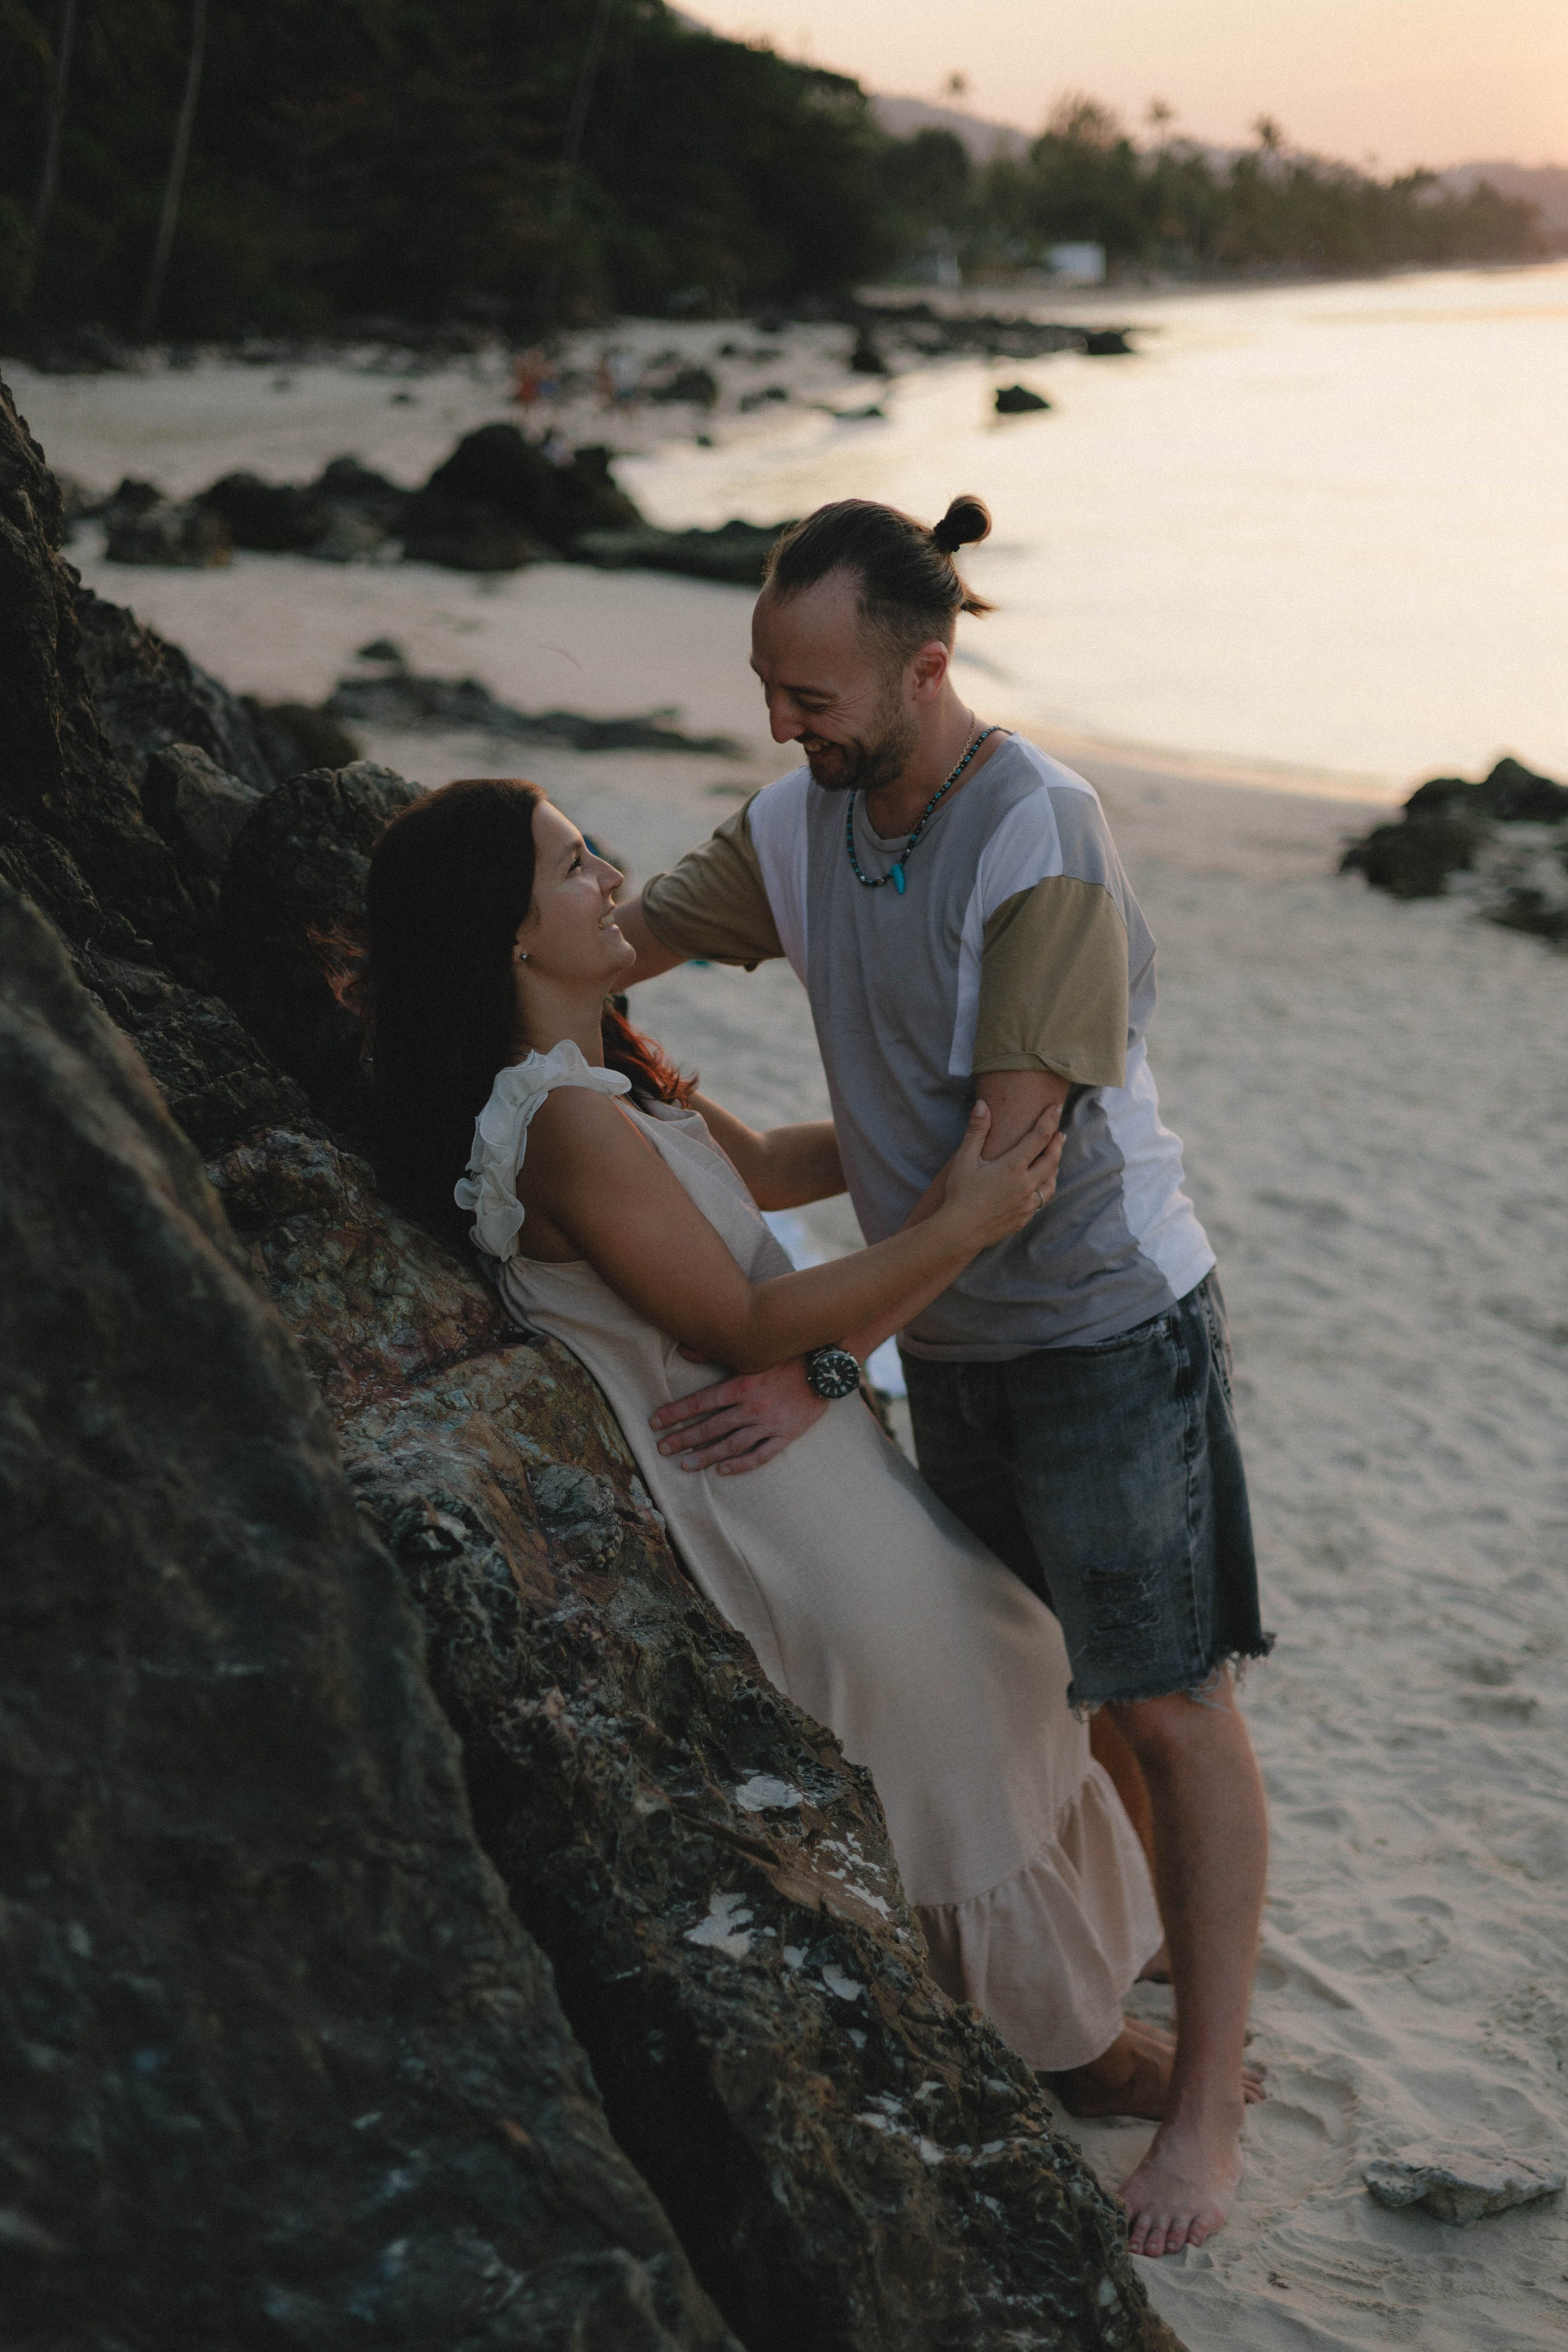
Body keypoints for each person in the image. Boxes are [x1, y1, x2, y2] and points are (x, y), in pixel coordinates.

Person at [360, 774, 1254, 2122]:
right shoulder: (556, 1124)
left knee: (1019, 1661)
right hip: (756, 1482)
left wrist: (972, 1126)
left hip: (808, 1444)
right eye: (572, 865)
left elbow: (770, 1167)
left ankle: (1081, 1986)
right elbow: (740, 1320)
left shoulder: (598, 1071)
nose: (612, 878)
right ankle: (1076, 2049)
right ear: (512, 936)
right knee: (949, 1737)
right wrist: (963, 1222)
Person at [609, 495, 1274, 2259]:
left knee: (1167, 1703)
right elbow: (615, 945)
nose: (782, 725)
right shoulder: (797, 819)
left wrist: (823, 1363)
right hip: (953, 1331)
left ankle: (1204, 2108)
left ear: (926, 668)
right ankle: (1133, 1950)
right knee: (1051, 1673)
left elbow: (1006, 1168)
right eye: (768, 687)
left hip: (1101, 1324)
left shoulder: (1037, 831)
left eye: (812, 696)